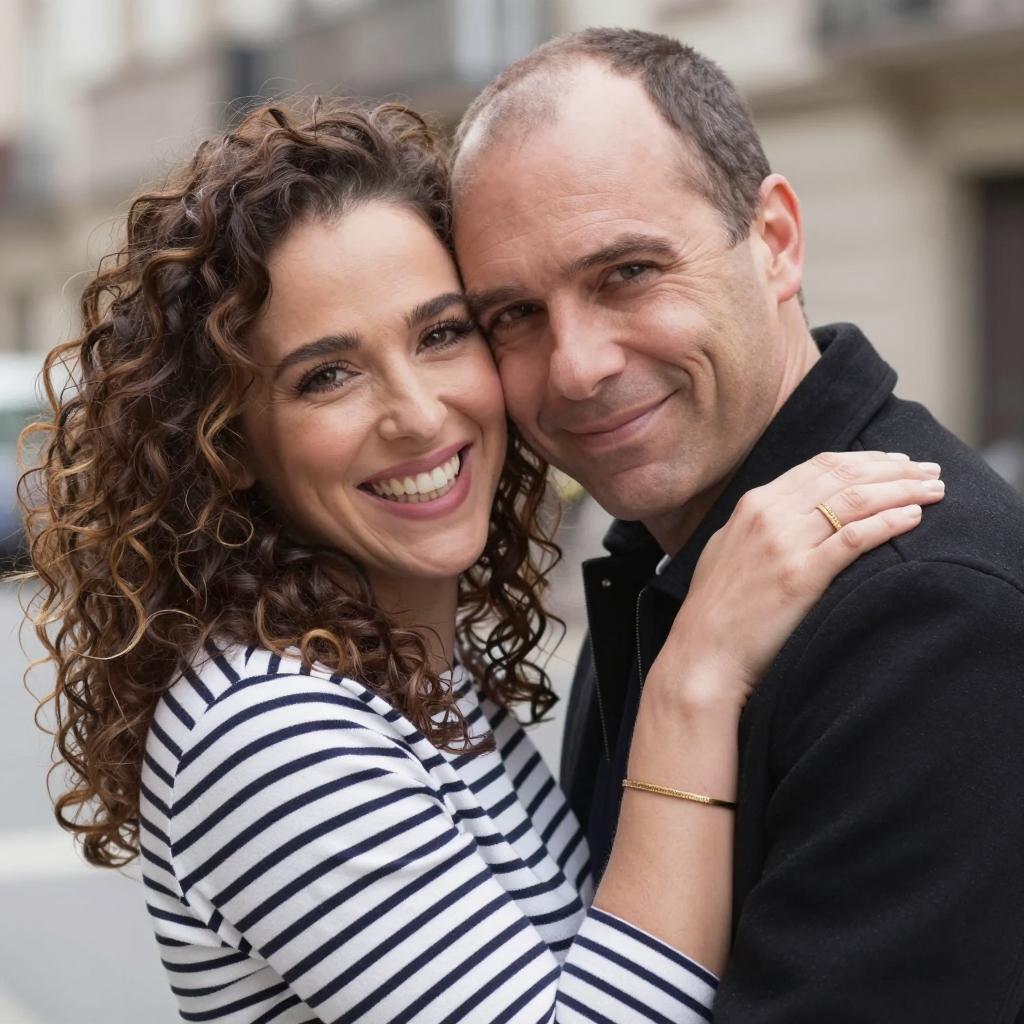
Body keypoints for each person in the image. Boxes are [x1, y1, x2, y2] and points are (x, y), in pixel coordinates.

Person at [21, 99, 943, 1023]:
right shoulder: (272, 729)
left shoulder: (403, 668)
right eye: (327, 375)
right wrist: (695, 675)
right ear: (228, 444)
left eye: (440, 334)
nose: (419, 414)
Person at [450, 26, 1024, 1022]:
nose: (576, 367)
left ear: (776, 241)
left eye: (627, 272)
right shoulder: (662, 564)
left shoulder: (924, 609)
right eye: (515, 316)